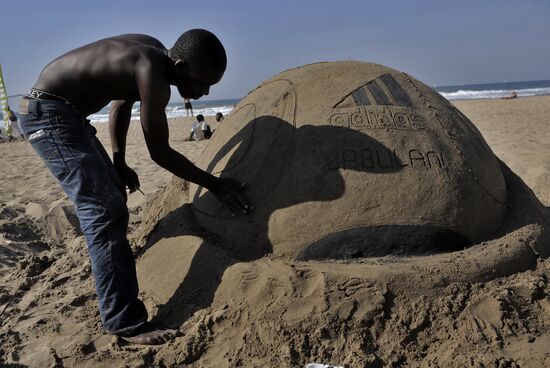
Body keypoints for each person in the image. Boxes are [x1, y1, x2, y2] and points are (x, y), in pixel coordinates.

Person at [18, 29, 252, 345]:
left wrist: (119, 160)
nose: (204, 92)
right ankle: (124, 322)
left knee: (112, 193)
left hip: (65, 112)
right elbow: (160, 152)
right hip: (49, 114)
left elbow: (120, 104)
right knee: (103, 210)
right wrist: (216, 185)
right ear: (181, 66)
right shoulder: (152, 70)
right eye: (202, 82)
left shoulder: (152, 52)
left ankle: (115, 283)